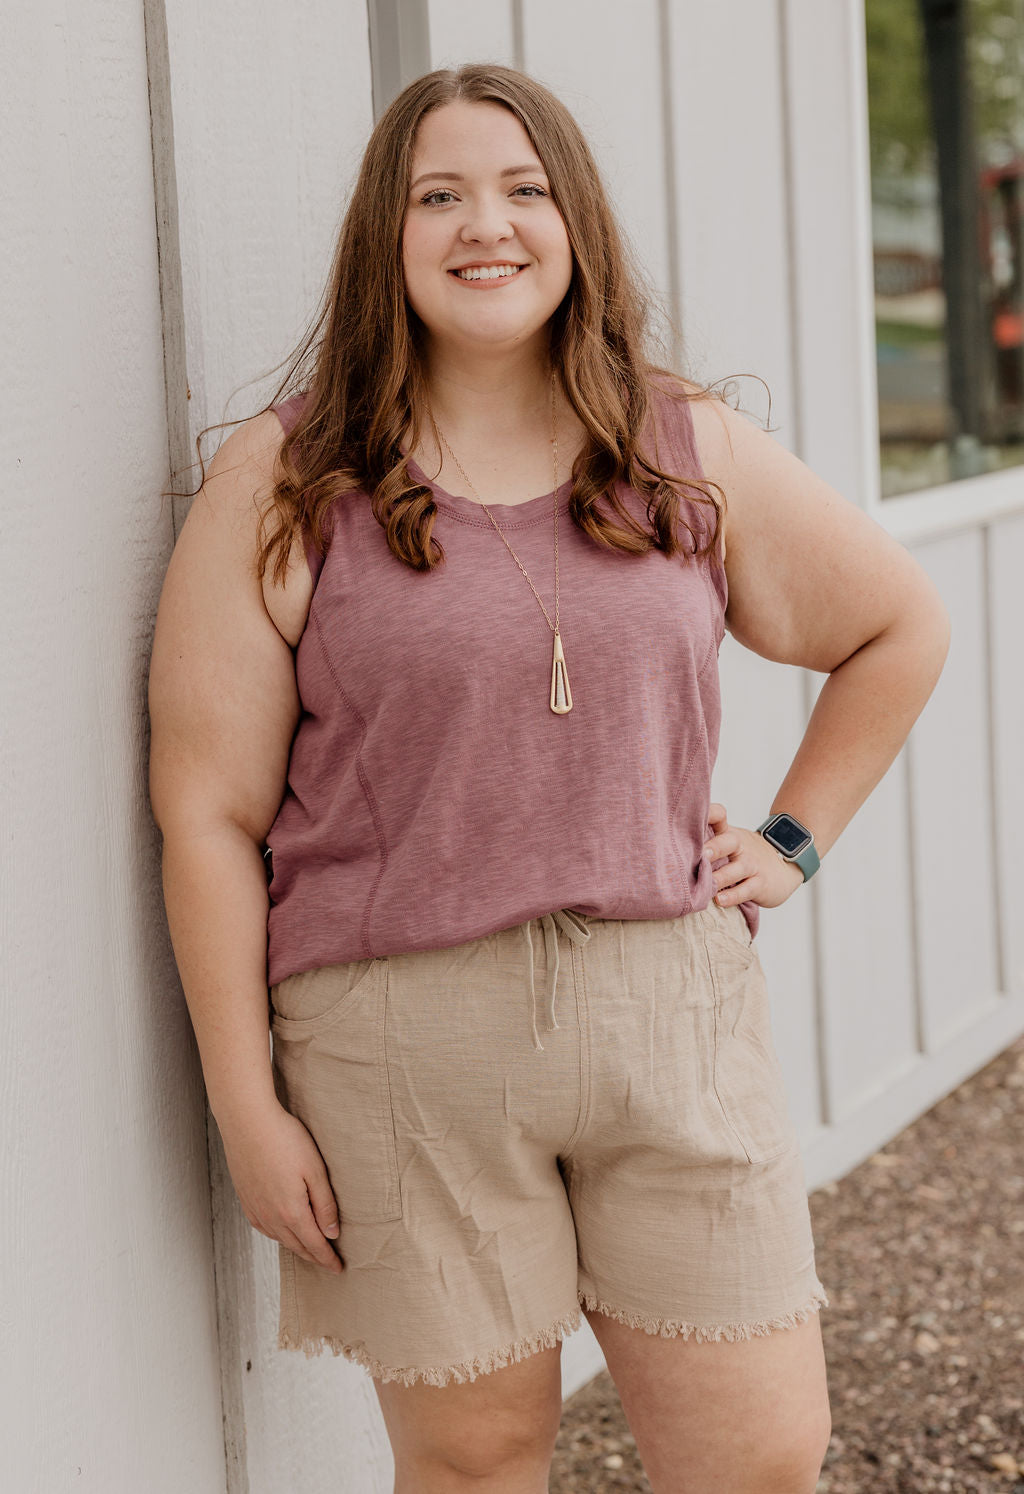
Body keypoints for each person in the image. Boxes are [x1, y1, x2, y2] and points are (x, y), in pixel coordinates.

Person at [148, 61, 950, 1494]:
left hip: (668, 1018)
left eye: (523, 190)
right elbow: (208, 814)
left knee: (764, 1453)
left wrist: (794, 837)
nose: (486, 225)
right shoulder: (286, 483)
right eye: (438, 194)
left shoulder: (683, 448)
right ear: (383, 241)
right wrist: (242, 1102)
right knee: (477, 1463)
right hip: (401, 1045)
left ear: (574, 222)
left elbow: (898, 624)